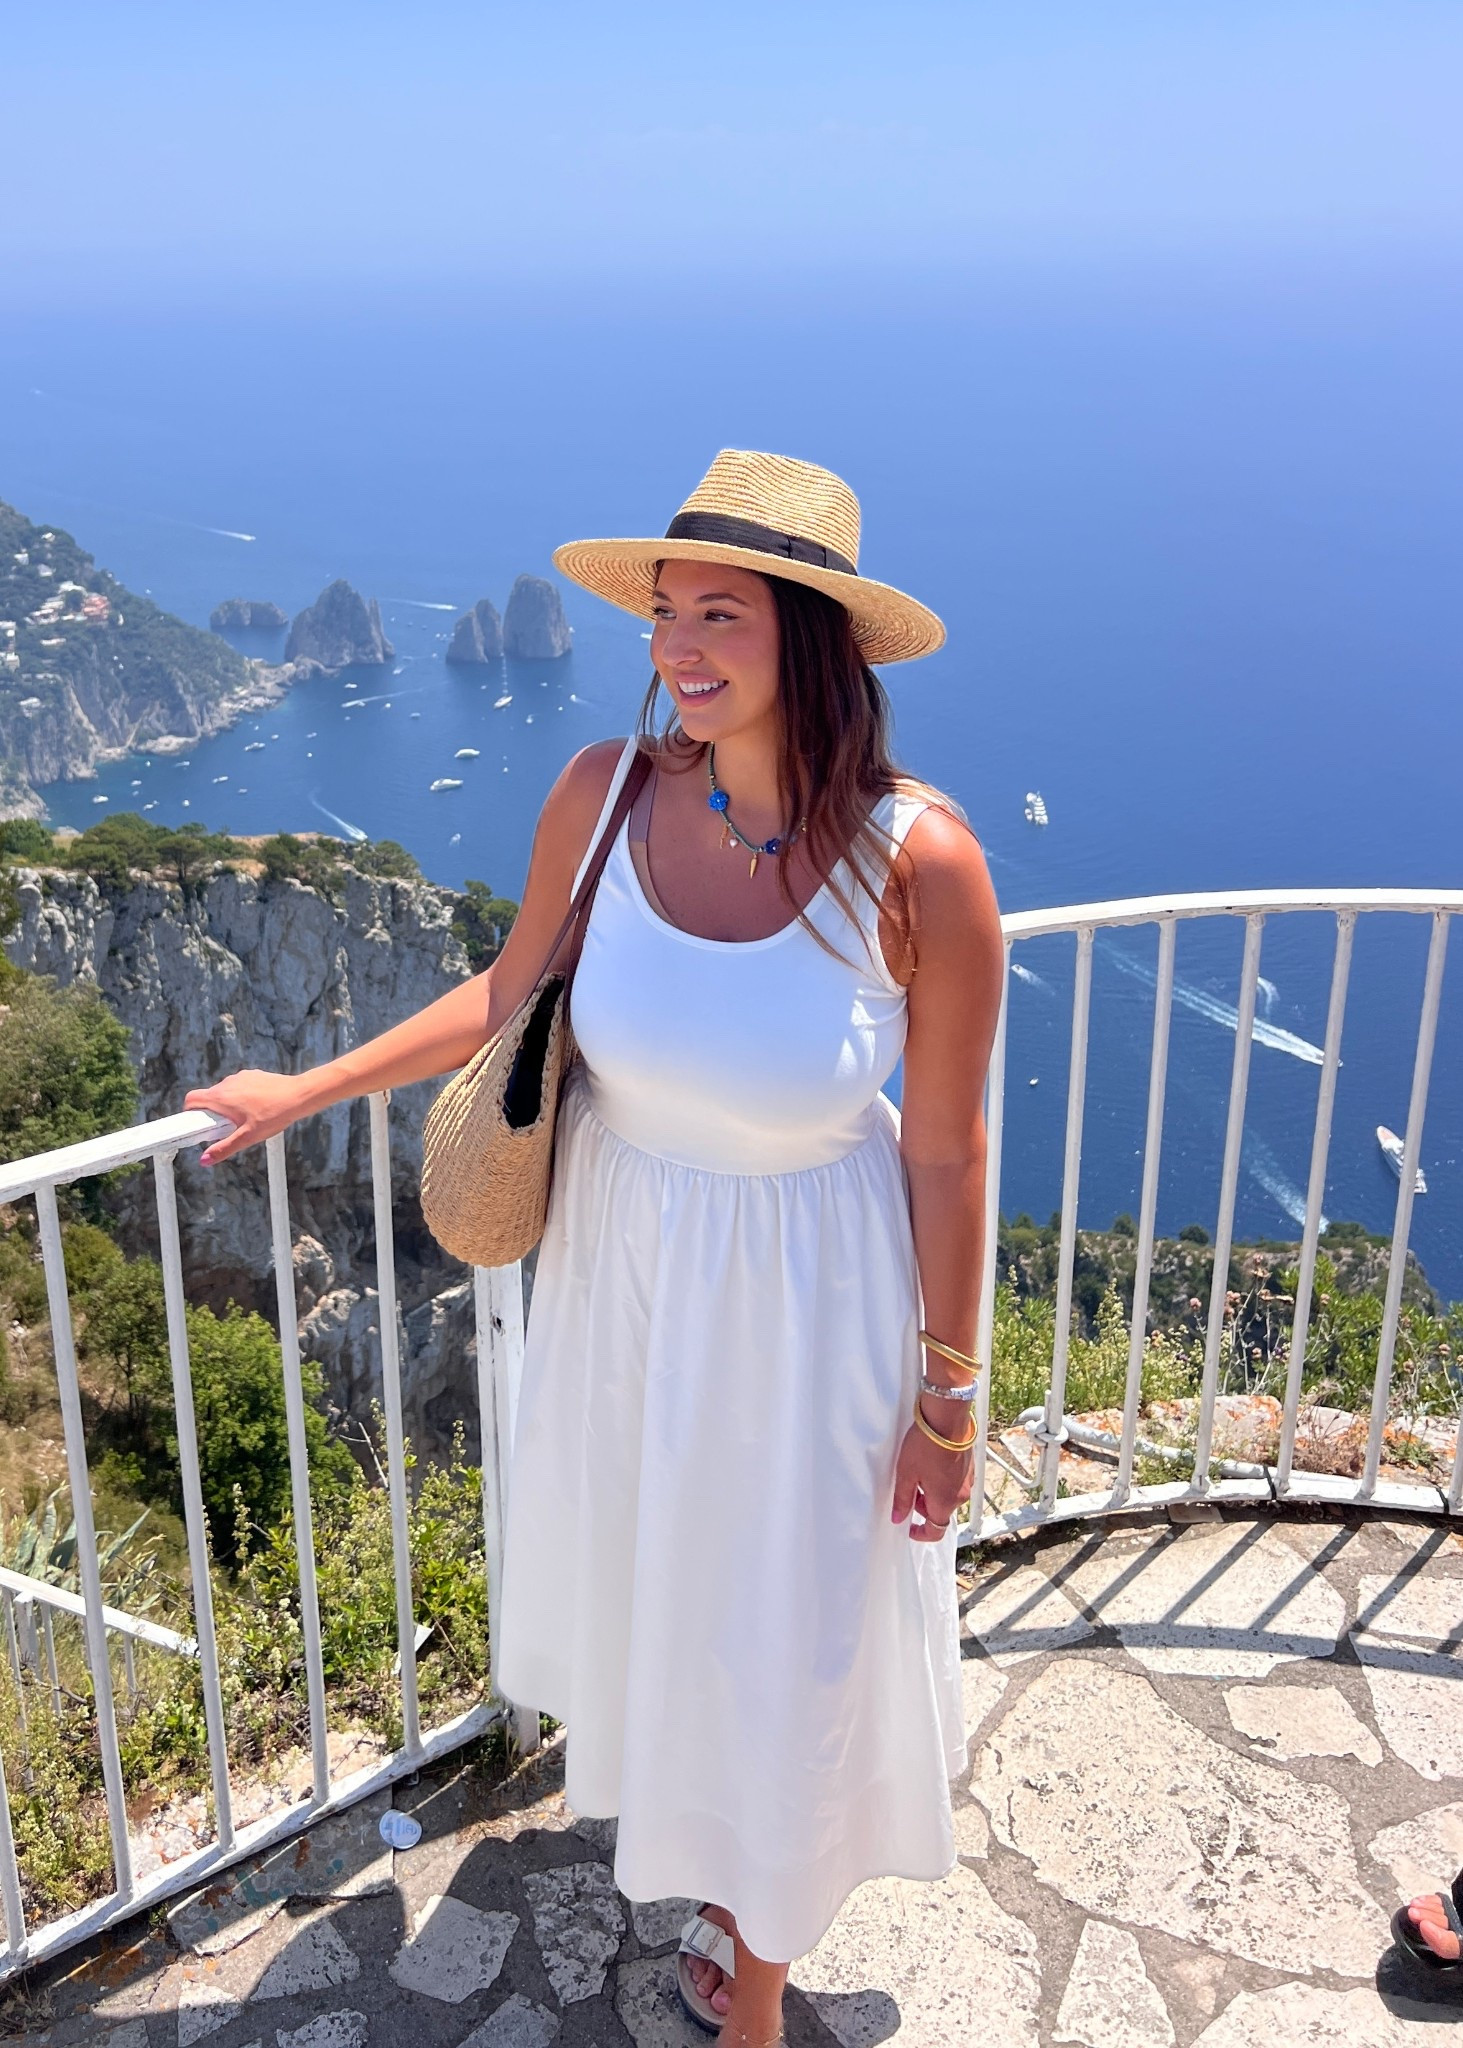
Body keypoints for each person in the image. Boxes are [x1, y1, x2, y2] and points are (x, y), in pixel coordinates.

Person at [187, 449, 1004, 2048]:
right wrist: (315, 1084)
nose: (679, 648)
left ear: (815, 640)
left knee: (792, 1626)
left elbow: (949, 1148)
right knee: (684, 1598)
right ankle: (718, 1872)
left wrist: (948, 1397)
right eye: (665, 612)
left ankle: (757, 1987)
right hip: (630, 1280)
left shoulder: (922, 865)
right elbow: (511, 998)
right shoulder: (605, 795)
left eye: (723, 615)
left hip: (816, 1305)